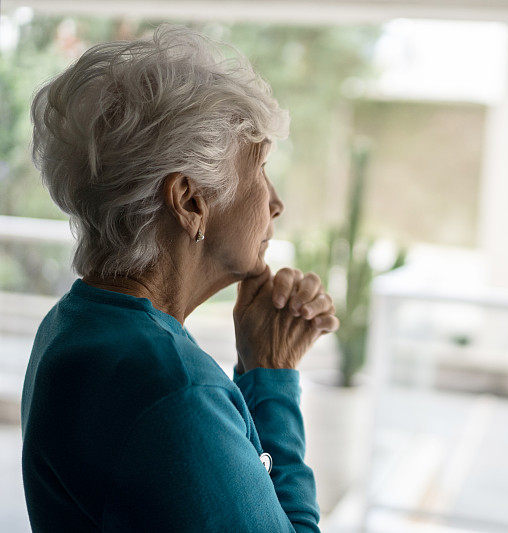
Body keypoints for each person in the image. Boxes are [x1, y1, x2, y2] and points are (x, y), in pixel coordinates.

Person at [20, 23, 338, 532]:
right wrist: (272, 375)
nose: (276, 203)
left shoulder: (72, 326)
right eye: (260, 171)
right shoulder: (173, 388)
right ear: (190, 202)